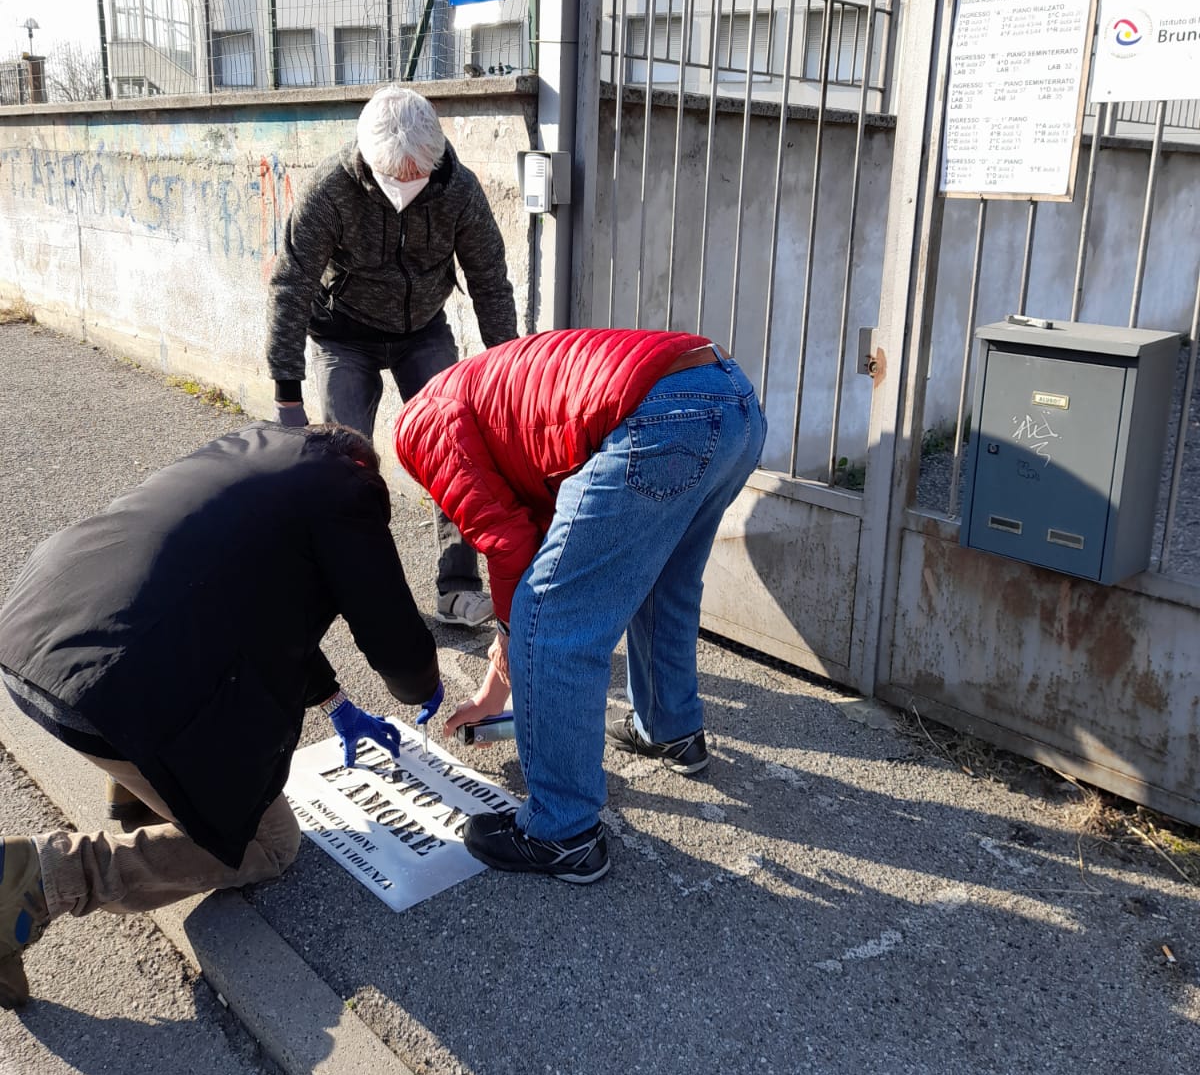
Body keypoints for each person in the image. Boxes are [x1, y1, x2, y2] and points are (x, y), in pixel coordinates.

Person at [0, 422, 440, 1010]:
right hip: (111, 693)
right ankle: (44, 877)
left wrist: (336, 705)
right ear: (364, 469)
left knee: (172, 651)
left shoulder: (247, 454)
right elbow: (394, 641)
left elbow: (251, 603)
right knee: (272, 844)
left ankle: (135, 797)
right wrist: (424, 687)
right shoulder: (349, 490)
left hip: (34, 635)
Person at [394, 328, 767, 885]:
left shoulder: (421, 427)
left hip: (658, 417)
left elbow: (510, 547)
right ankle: (669, 728)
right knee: (666, 583)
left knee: (551, 620)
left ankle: (561, 832)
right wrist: (501, 672)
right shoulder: (479, 391)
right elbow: (547, 524)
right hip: (731, 397)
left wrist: (509, 651)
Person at [266, 84, 518, 629]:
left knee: (456, 451)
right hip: (342, 335)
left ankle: (457, 586)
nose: (404, 189)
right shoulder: (330, 190)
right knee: (346, 466)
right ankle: (364, 591)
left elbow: (490, 283)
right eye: (392, 179)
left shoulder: (459, 190)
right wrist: (286, 389)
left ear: (436, 160)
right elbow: (292, 284)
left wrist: (509, 374)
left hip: (422, 329)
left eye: (415, 178)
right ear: (367, 161)